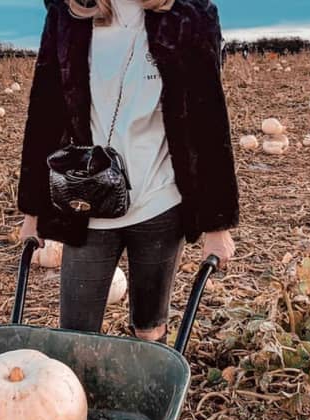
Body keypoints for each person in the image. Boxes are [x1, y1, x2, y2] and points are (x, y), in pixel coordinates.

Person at [18, 0, 239, 343]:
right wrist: (33, 210)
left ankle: (143, 384)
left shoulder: (189, 14)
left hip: (160, 202)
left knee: (149, 330)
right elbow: (46, 111)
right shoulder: (71, 11)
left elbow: (207, 119)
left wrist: (217, 224)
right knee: (76, 335)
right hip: (86, 206)